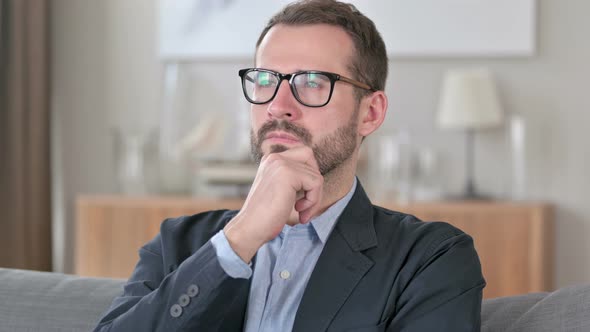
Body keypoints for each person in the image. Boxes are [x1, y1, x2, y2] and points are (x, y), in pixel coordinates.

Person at [94, 0, 485, 331]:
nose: (278, 104)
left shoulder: (431, 258)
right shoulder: (177, 245)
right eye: (265, 79)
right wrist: (237, 241)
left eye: (312, 82)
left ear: (370, 113)